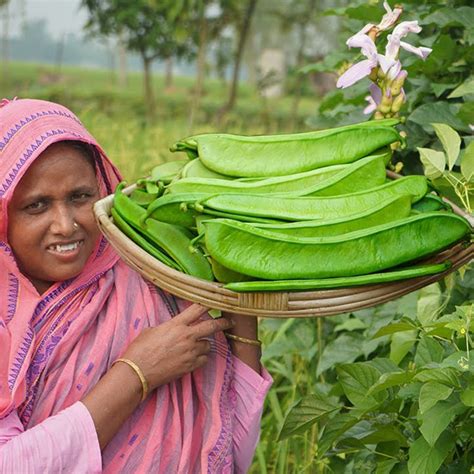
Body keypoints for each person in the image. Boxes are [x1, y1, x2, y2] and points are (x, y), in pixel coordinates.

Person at [0, 98, 272, 473]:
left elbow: (227, 440)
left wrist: (238, 289)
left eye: (80, 196)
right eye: (37, 205)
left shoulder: (150, 278)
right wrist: (136, 373)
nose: (65, 225)